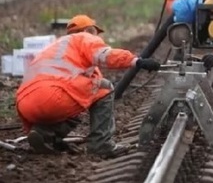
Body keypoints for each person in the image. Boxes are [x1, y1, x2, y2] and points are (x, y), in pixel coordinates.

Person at [15, 15, 161, 158]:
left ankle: (44, 134)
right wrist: (136, 61)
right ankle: (101, 145)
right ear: (90, 30)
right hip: (54, 98)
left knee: (78, 98)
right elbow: (106, 56)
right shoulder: (84, 38)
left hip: (25, 104)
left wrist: (28, 129)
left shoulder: (54, 47)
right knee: (104, 88)